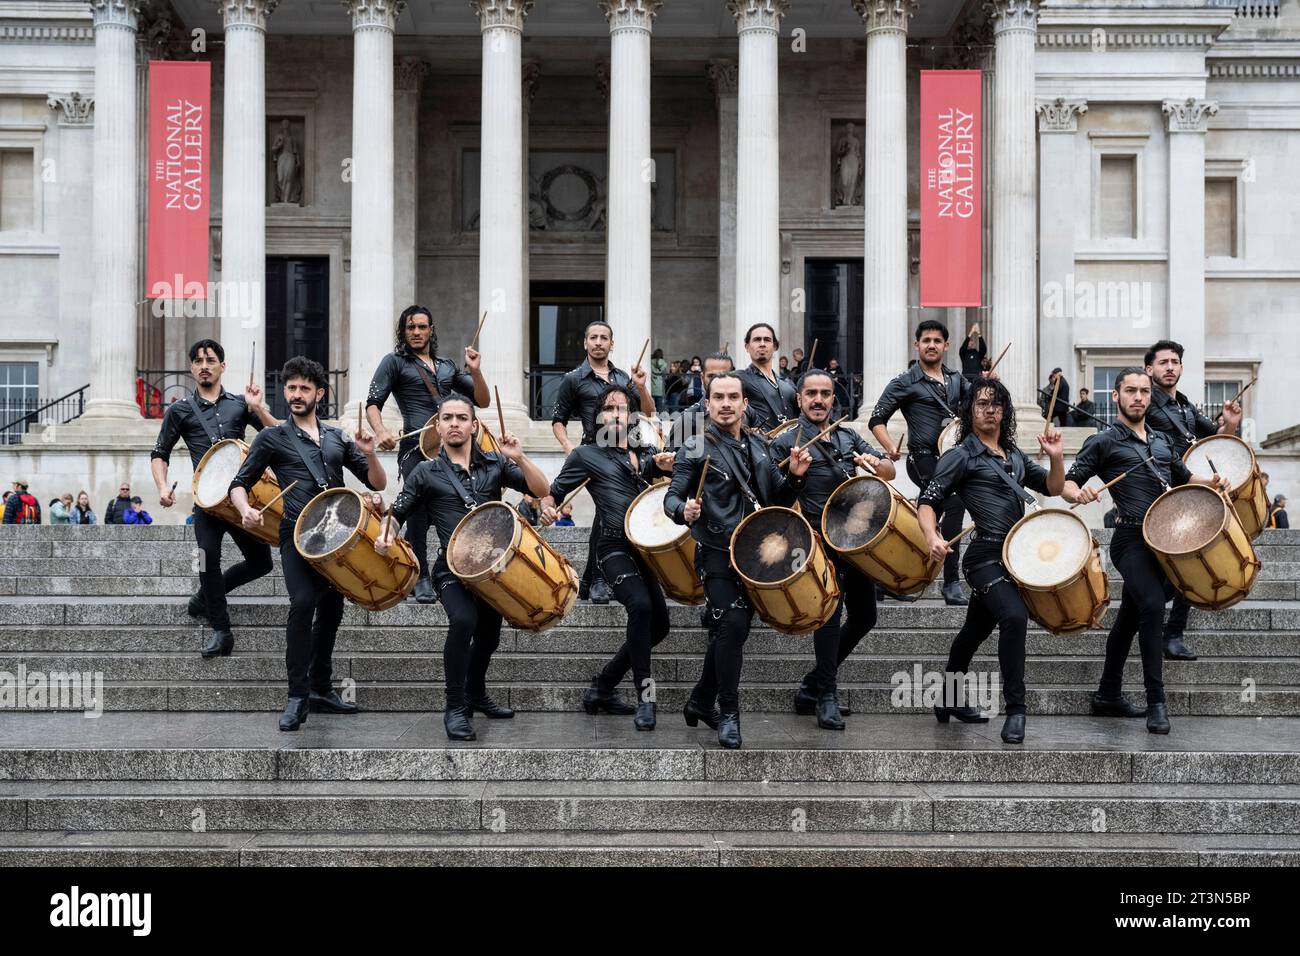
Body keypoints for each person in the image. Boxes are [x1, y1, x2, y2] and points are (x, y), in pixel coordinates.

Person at [1061, 367, 1231, 735]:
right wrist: (1080, 493)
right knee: (1153, 607)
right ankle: (1157, 701)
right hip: (1131, 539)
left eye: (1143, 391)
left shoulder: (1161, 441)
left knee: (1129, 619)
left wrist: (1212, 481)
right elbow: (1068, 484)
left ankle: (1107, 694)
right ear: (1116, 396)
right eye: (1130, 391)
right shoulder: (1103, 441)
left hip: (1167, 543)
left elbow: (1185, 478)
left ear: (1149, 397)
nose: (1138, 397)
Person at [230, 356, 387, 732]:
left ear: (319, 393)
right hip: (296, 535)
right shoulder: (272, 437)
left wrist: (369, 453)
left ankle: (320, 687)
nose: (296, 395)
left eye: (303, 388)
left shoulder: (337, 437)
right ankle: (296, 695)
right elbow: (239, 483)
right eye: (290, 388)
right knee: (302, 604)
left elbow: (378, 483)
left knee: (332, 612)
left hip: (337, 539)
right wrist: (244, 511)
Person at [379, 395, 549, 740]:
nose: (454, 423)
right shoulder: (424, 473)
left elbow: (542, 489)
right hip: (450, 569)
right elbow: (396, 515)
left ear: (474, 425)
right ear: (438, 426)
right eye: (447, 418)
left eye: (461, 418)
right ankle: (455, 707)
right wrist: (386, 537)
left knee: (489, 636)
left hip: (493, 569)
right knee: (463, 621)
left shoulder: (496, 464)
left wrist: (518, 457)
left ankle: (475, 693)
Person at [664, 371, 812, 749]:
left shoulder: (761, 447)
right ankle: (728, 712)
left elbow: (776, 502)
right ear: (708, 404)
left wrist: (795, 478)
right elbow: (670, 498)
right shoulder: (695, 446)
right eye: (719, 397)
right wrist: (685, 510)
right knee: (731, 624)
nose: (726, 404)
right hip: (715, 551)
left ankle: (699, 700)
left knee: (735, 630)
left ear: (745, 403)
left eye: (733, 397)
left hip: (756, 557)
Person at [919, 377, 1065, 744]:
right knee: (1014, 618)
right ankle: (1017, 710)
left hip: (1018, 558)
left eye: (996, 403)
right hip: (984, 556)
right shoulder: (960, 456)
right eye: (981, 403)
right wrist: (932, 536)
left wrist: (1057, 458)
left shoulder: (1013, 454)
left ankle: (948, 698)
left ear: (1005, 410)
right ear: (970, 411)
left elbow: (1054, 488)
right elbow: (927, 500)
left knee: (973, 632)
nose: (989, 409)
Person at [540, 384, 677, 729]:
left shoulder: (646, 453)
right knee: (642, 608)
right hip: (612, 547)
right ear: (599, 416)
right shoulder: (586, 455)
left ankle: (602, 685)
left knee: (659, 626)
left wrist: (667, 466)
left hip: (645, 549)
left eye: (622, 409)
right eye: (609, 409)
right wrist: (546, 508)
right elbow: (551, 495)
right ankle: (647, 697)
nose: (616, 415)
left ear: (632, 416)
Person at [769, 371, 894, 730]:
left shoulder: (848, 435)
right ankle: (826, 695)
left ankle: (811, 685)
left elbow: (887, 469)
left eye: (825, 393)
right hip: (816, 540)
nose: (819, 400)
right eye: (812, 394)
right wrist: (795, 474)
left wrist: (876, 466)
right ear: (800, 399)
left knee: (865, 617)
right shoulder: (785, 443)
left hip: (854, 541)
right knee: (828, 615)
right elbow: (774, 499)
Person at [152, 338, 278, 659]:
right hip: (206, 503)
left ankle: (205, 597)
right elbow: (159, 453)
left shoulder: (239, 404)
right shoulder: (180, 410)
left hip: (238, 500)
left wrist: (258, 407)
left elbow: (279, 434)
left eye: (210, 360)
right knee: (207, 558)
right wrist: (163, 487)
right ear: (192, 368)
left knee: (261, 563)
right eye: (198, 360)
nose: (204, 365)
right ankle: (221, 631)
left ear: (223, 366)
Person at [367, 305, 489, 604]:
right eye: (411, 328)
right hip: (414, 450)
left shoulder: (447, 366)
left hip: (448, 450)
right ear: (403, 331)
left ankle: (447, 568)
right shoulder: (394, 363)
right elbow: (373, 402)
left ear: (431, 330)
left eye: (422, 327)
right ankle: (419, 576)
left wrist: (475, 370)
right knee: (418, 508)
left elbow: (482, 401)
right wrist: (381, 431)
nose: (417, 332)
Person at [1143, 339, 1244, 661]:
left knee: (1190, 558)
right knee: (1161, 568)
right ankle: (1152, 627)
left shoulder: (1186, 406)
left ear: (1182, 368)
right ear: (1150, 369)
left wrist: (1230, 422)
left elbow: (1213, 439)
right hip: (1156, 491)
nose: (1170, 367)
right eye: (1163, 362)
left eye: (1175, 362)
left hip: (1190, 490)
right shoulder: (1144, 403)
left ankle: (1172, 633)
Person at [869, 320, 974, 605]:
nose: (931, 345)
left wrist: (988, 385)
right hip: (922, 459)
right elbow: (876, 419)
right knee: (953, 504)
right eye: (926, 340)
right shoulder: (904, 382)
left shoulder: (956, 380)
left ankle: (888, 576)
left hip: (953, 459)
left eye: (937, 341)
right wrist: (890, 447)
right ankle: (951, 583)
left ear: (946, 346)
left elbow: (977, 404)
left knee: (933, 516)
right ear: (917, 345)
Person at [551, 320, 654, 605]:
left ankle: (588, 580)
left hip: (624, 452)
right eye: (593, 337)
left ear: (611, 344)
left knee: (605, 513)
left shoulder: (624, 378)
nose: (598, 342)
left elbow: (648, 410)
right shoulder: (573, 379)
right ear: (585, 343)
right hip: (593, 455)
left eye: (604, 338)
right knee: (606, 513)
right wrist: (569, 448)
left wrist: (642, 387)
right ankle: (597, 578)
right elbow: (558, 421)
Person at [737, 323, 798, 434]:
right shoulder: (737, 378)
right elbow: (702, 408)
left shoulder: (788, 385)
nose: (762, 344)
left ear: (775, 346)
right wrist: (698, 444)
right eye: (756, 340)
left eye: (767, 340)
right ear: (747, 347)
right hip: (758, 447)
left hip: (790, 448)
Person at [669, 351, 738, 449]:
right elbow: (669, 461)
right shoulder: (688, 419)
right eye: (711, 376)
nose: (716, 381)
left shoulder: (746, 414)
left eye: (723, 375)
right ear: (702, 377)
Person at [649, 348, 668, 412]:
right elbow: (665, 376)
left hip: (652, 388)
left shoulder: (649, 363)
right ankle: (659, 420)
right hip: (660, 389)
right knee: (660, 408)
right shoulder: (664, 364)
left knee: (652, 408)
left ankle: (652, 420)